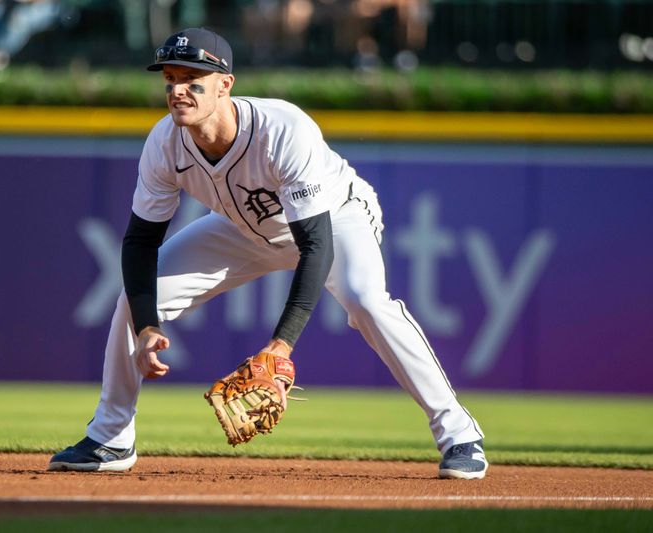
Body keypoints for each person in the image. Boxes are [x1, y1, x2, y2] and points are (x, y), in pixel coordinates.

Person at [48, 27, 487, 480]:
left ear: (225, 85)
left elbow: (316, 244)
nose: (178, 90)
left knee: (365, 300)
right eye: (170, 79)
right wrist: (146, 326)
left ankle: (458, 434)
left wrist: (281, 346)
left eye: (192, 79)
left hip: (335, 217)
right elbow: (141, 241)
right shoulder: (165, 143)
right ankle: (111, 437)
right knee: (136, 299)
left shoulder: (282, 130)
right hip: (243, 228)